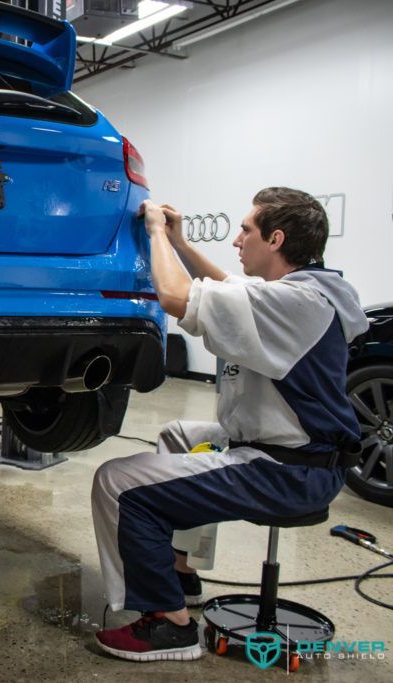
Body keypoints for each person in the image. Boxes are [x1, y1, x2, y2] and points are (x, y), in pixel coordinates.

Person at [90, 187, 368, 662]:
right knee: (179, 434)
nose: (237, 240)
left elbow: (177, 296)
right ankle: (179, 571)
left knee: (117, 481)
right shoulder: (312, 292)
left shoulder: (296, 304)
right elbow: (238, 295)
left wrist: (156, 233)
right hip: (303, 453)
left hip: (287, 471)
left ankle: (167, 624)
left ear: (275, 238)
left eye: (246, 230)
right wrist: (182, 244)